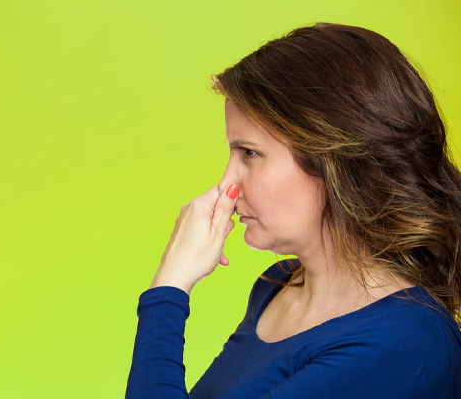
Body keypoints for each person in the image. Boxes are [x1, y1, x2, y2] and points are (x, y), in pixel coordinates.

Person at [125, 23, 461, 398]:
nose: (226, 184)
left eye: (249, 153)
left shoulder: (403, 345)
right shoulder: (279, 285)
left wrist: (169, 287)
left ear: (335, 161)